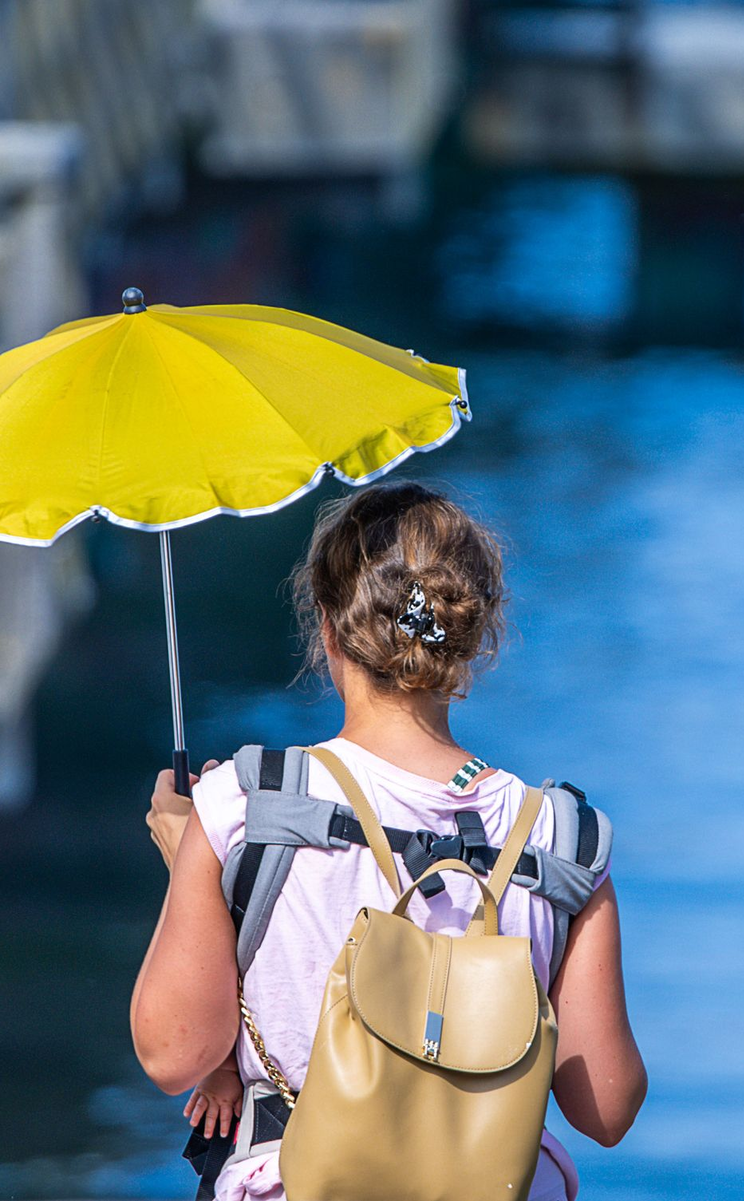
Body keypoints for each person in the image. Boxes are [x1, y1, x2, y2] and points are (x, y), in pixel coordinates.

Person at [131, 482, 647, 1201]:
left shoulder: (248, 805)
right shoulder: (563, 836)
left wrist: (190, 860)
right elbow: (607, 1107)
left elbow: (175, 1050)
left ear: (328, 629)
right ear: (477, 631)